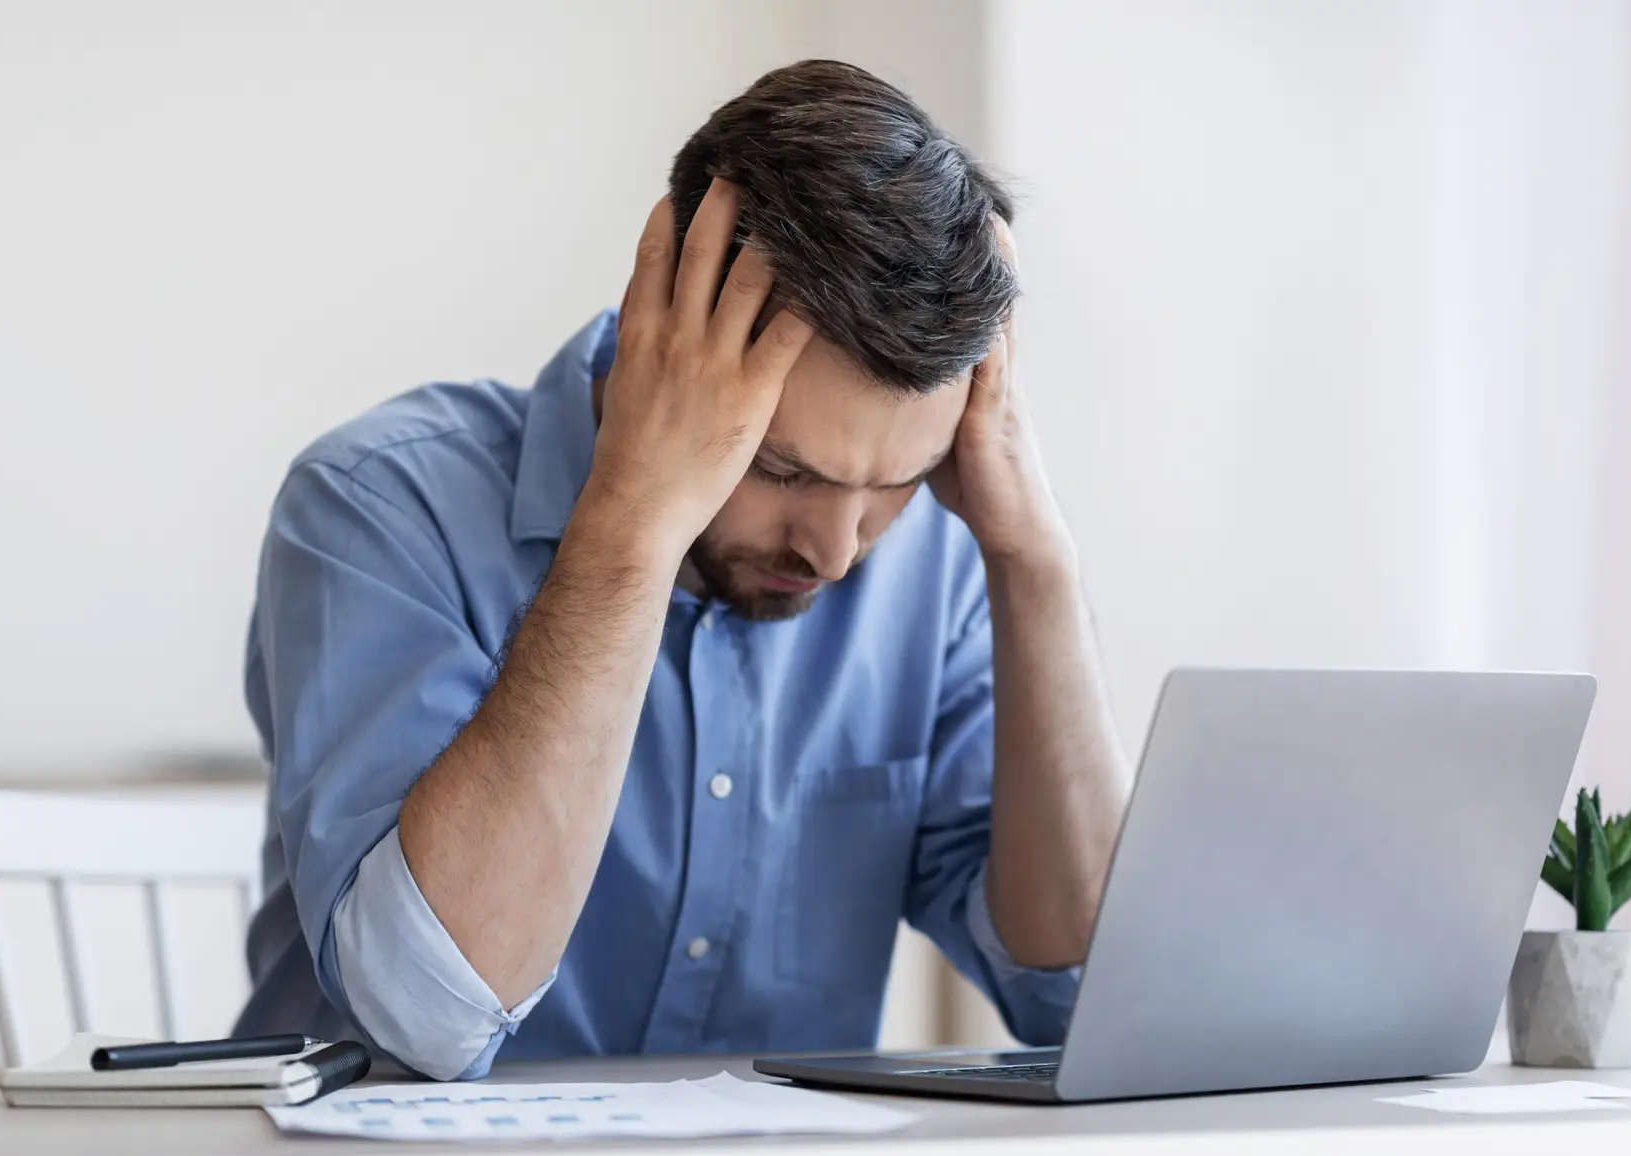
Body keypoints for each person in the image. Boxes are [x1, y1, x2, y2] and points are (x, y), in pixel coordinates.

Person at [234, 59, 1130, 1080]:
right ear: (657, 332)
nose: (836, 552)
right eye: (783, 467)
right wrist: (631, 524)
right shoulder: (376, 506)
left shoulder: (936, 563)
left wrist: (1035, 563)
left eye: (900, 480)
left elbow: (1076, 992)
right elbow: (428, 1013)